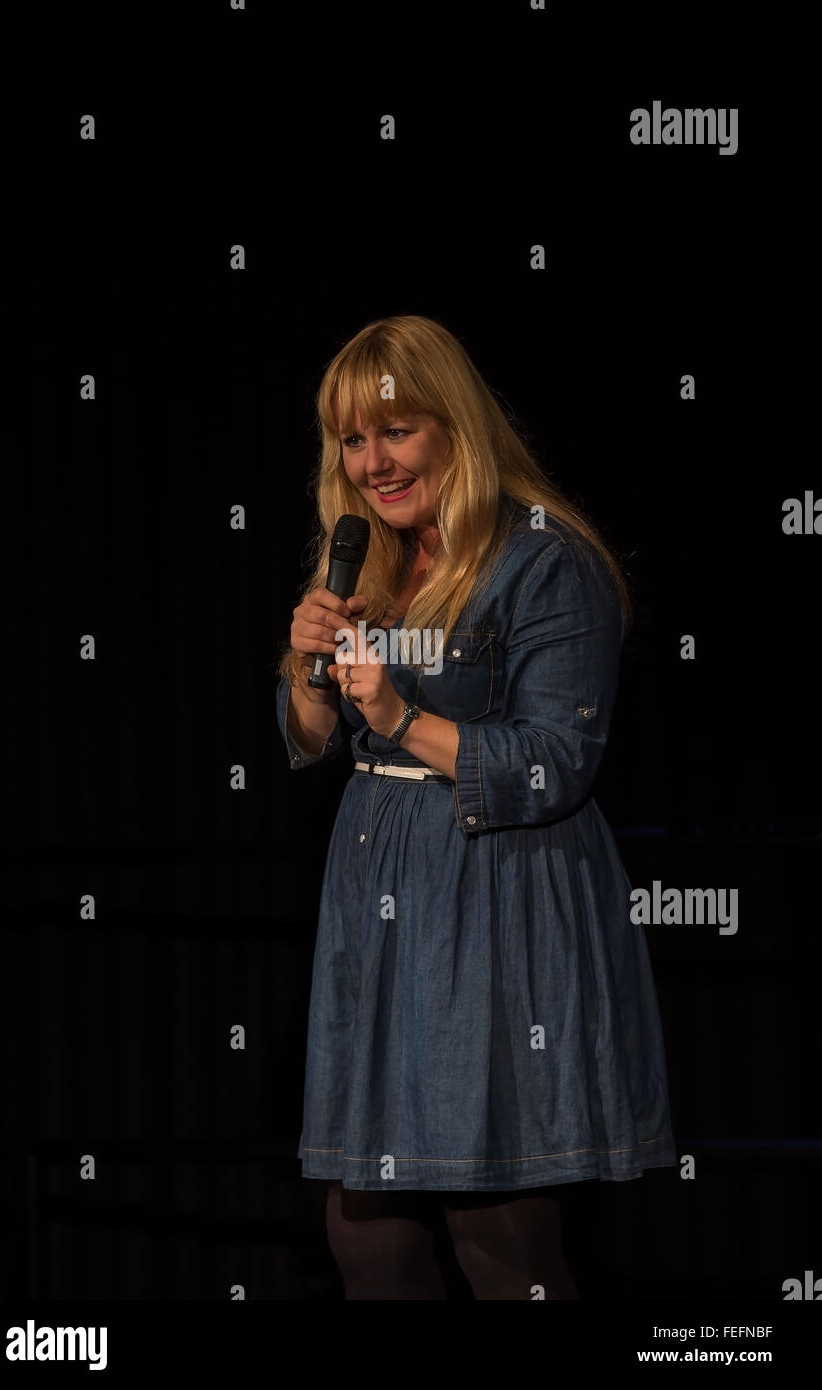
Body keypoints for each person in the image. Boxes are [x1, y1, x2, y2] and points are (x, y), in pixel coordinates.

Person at [275, 314, 676, 1299]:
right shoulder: (363, 558)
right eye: (352, 439)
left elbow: (554, 761)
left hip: (498, 892)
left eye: (394, 431)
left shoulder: (546, 560)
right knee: (364, 1229)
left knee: (494, 1227)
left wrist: (401, 713)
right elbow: (309, 740)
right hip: (378, 896)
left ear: (451, 426)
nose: (372, 461)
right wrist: (308, 667)